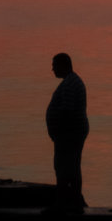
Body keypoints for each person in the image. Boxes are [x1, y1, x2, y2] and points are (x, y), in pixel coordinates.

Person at [46, 53, 89, 212]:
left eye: (54, 65)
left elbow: (67, 112)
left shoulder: (70, 84)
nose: (52, 69)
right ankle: (73, 201)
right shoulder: (71, 82)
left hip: (70, 134)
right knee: (70, 166)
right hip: (70, 133)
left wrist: (59, 133)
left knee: (65, 167)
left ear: (63, 65)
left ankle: (63, 204)